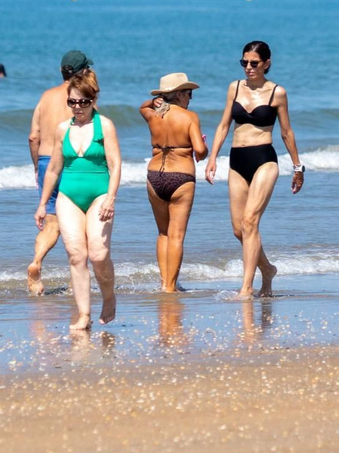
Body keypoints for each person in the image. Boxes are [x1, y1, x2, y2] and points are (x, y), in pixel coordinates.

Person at [205, 41, 305, 298]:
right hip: (237, 160)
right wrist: (213, 158)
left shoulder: (277, 93)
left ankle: (246, 287)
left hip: (264, 159)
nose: (248, 67)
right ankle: (268, 270)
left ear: (267, 63)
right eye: (244, 62)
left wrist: (298, 167)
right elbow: (224, 125)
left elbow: (286, 132)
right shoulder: (235, 87)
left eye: (254, 63)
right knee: (239, 229)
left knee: (250, 221)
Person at [34, 69, 121, 333]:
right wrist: (42, 204)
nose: (77, 107)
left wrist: (111, 198)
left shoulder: (105, 126)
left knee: (98, 254)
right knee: (76, 255)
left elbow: (115, 165)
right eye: (72, 102)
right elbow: (53, 169)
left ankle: (109, 297)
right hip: (68, 197)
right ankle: (84, 314)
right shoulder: (63, 129)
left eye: (83, 102)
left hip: (100, 195)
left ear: (93, 100)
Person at [27, 50, 92, 294]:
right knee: (79, 221)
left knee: (52, 221)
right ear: (83, 71)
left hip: (46, 161)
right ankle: (78, 279)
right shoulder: (82, 98)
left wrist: (37, 166)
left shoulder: (45, 96)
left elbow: (33, 137)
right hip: (74, 162)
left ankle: (36, 261)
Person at [140, 73, 208, 292]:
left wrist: (154, 101)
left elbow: (142, 107)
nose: (190, 98)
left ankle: (164, 283)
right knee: (176, 236)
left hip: (155, 176)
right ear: (179, 94)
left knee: (163, 234)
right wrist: (203, 147)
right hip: (181, 177)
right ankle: (171, 288)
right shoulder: (190, 117)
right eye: (188, 94)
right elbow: (200, 151)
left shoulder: (152, 115)